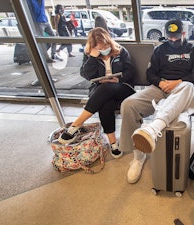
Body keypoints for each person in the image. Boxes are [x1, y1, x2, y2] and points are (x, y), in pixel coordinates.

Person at [119, 19, 194, 184]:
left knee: (188, 86)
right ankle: (138, 157)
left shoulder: (192, 50)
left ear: (184, 34)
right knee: (128, 105)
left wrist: (177, 82)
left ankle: (153, 129)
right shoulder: (159, 50)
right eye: (170, 37)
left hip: (182, 89)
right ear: (166, 35)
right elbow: (150, 73)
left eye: (176, 37)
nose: (173, 40)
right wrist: (161, 83)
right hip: (160, 88)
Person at [58, 27, 136, 159]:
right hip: (101, 90)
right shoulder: (90, 54)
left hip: (123, 88)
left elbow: (131, 71)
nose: (103, 49)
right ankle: (113, 143)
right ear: (93, 46)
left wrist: (119, 79)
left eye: (105, 45)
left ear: (108, 41)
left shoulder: (120, 51)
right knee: (106, 105)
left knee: (108, 87)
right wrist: (92, 58)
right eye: (99, 47)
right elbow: (86, 75)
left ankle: (75, 125)